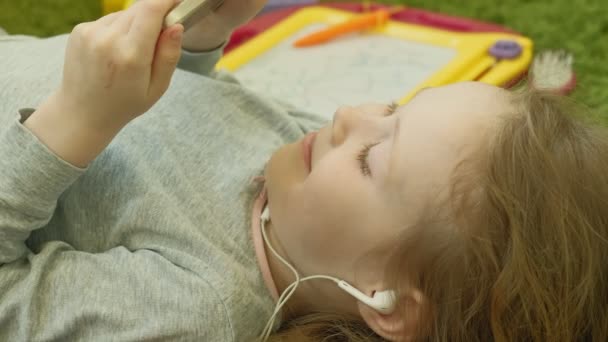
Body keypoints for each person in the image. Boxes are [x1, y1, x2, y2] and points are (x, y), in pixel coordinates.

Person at [0, 0, 606, 341]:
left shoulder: (194, 309)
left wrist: (75, 121)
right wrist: (198, 41)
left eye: (374, 160)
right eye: (392, 108)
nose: (347, 117)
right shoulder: (300, 164)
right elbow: (177, 123)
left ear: (385, 299)